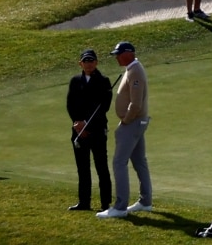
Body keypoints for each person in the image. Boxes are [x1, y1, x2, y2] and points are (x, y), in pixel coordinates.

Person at [98, 41, 152, 218]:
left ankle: (120, 207)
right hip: (138, 122)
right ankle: (145, 201)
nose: (116, 57)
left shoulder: (135, 71)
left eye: (118, 54)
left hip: (133, 122)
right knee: (139, 161)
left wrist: (126, 121)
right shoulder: (131, 69)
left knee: (119, 163)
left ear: (129, 54)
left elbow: (135, 104)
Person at [65, 48, 113, 211]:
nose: (88, 64)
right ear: (80, 63)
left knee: (101, 167)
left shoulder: (104, 81)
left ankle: (105, 204)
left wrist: (86, 123)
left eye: (91, 61)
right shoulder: (75, 81)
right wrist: (77, 123)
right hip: (78, 130)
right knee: (83, 169)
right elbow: (70, 105)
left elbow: (103, 107)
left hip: (97, 130)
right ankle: (84, 202)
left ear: (96, 62)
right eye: (85, 61)